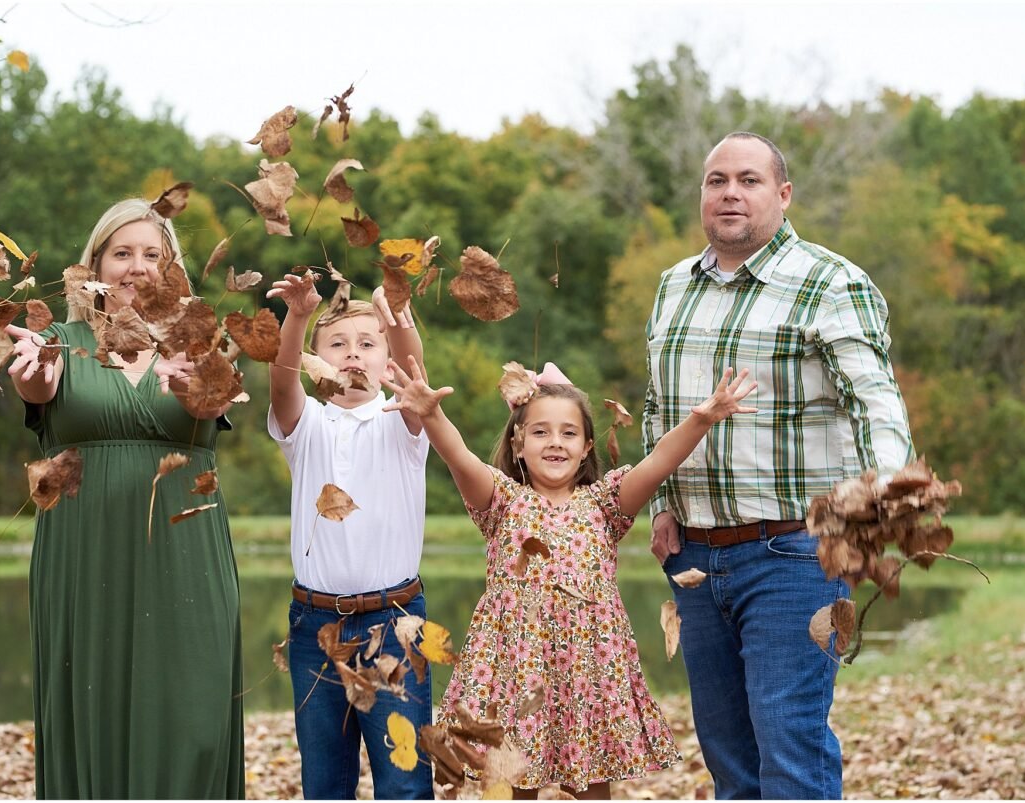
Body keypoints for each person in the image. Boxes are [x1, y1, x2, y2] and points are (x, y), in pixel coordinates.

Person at [643, 131, 915, 800]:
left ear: (784, 194)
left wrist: (885, 493)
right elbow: (658, 405)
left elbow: (874, 400)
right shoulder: (673, 285)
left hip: (796, 552)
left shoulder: (831, 282)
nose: (730, 193)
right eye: (717, 181)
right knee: (729, 762)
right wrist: (663, 503)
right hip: (696, 559)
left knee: (789, 749)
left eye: (749, 180)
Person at [382, 356, 756, 800]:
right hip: (516, 664)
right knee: (514, 778)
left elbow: (658, 462)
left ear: (586, 446)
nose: (555, 442)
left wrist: (701, 420)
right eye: (540, 432)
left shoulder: (605, 503)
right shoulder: (501, 500)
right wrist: (432, 416)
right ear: (518, 443)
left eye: (569, 433)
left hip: (589, 667)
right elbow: (459, 456)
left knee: (591, 784)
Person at [6, 198, 244, 798]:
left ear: (171, 269)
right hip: (84, 556)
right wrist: (33, 382)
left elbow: (218, 405)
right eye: (122, 253)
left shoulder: (200, 343)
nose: (137, 266)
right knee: (93, 706)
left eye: (152, 255)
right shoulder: (58, 342)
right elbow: (36, 387)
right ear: (95, 265)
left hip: (186, 554)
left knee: (193, 713)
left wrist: (200, 389)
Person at [265, 272, 433, 799]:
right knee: (325, 781)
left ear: (387, 361)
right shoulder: (307, 425)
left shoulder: (402, 421)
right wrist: (297, 317)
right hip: (316, 626)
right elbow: (282, 383)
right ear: (316, 362)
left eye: (367, 343)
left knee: (404, 781)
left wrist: (394, 316)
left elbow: (415, 370)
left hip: (394, 622)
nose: (353, 353)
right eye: (337, 344)